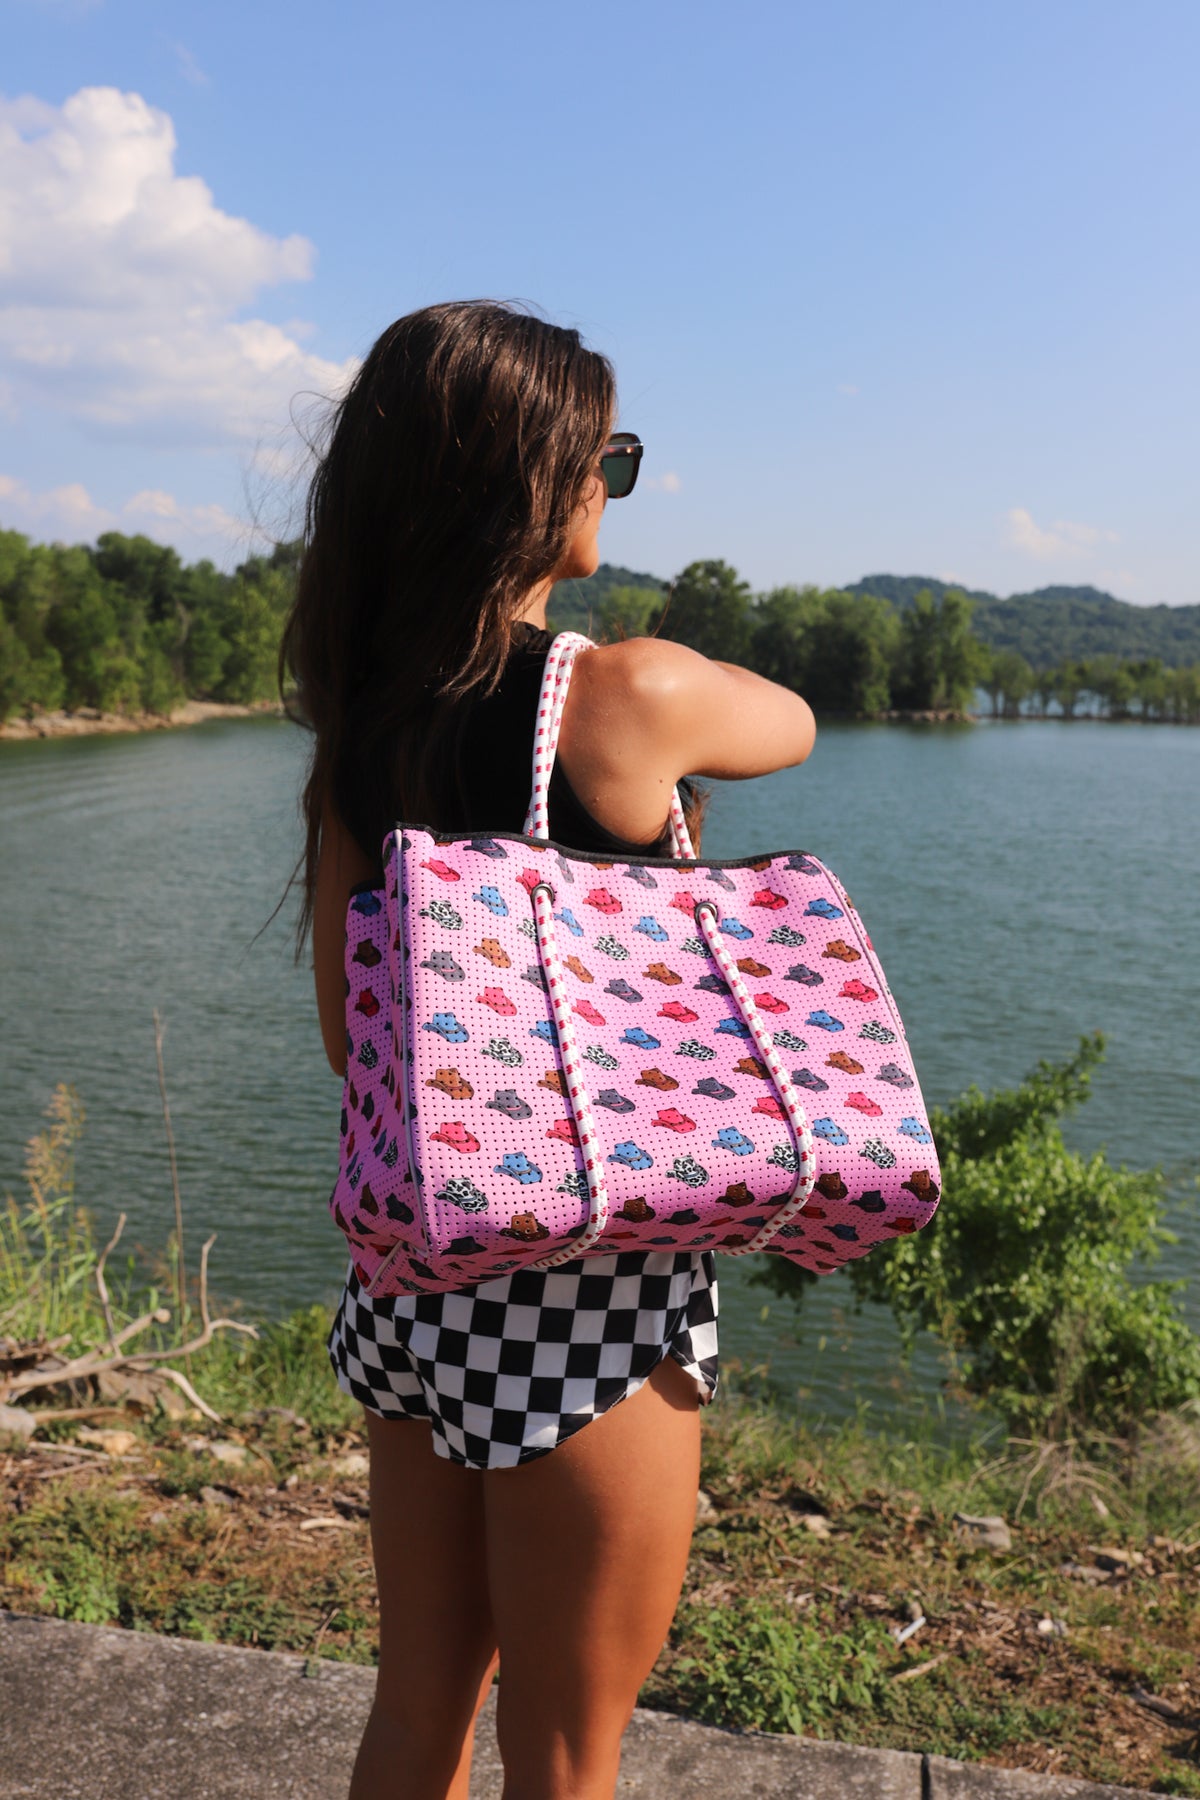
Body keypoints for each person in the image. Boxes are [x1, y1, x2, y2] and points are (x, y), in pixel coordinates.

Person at [282, 301, 816, 1800]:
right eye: (611, 455)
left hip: (418, 1283)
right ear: (536, 477)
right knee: (570, 1759)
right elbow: (794, 722)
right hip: (590, 1298)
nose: (615, 481)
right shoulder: (623, 694)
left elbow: (351, 1039)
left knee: (415, 1716)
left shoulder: (364, 730)